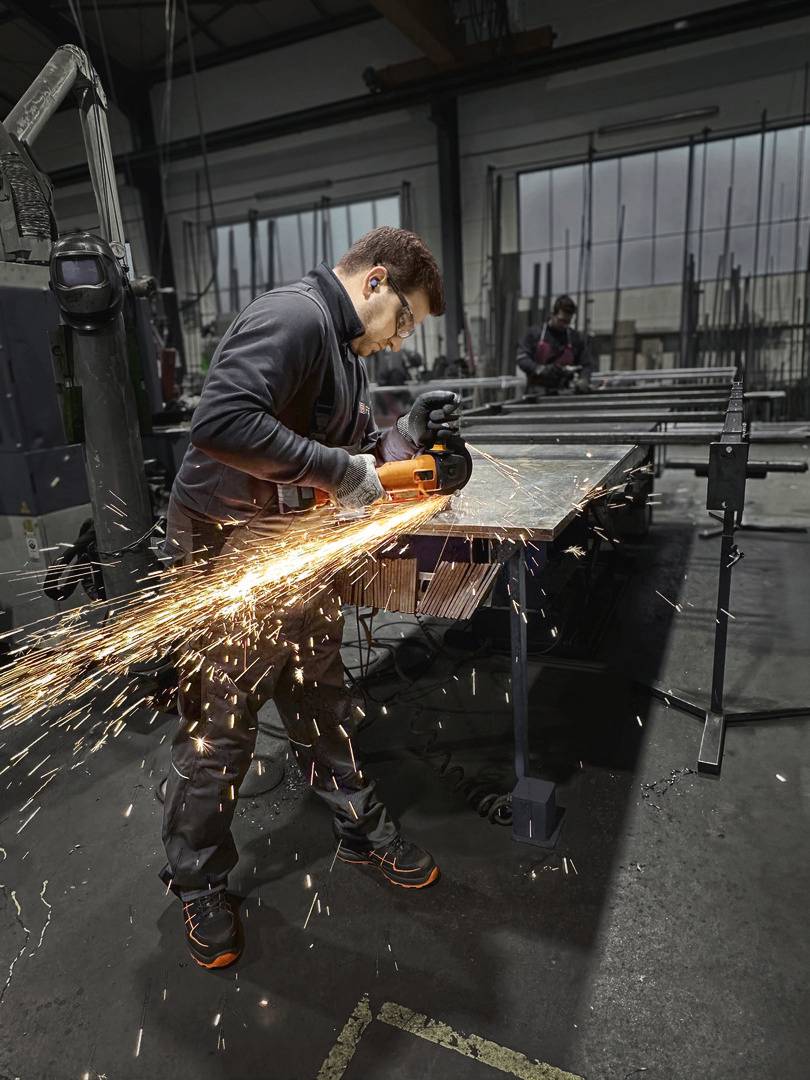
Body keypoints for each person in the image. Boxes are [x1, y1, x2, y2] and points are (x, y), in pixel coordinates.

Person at [159, 227, 459, 969]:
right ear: (375, 282)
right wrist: (337, 470)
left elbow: (349, 451)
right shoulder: (293, 316)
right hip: (227, 543)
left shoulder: (344, 351)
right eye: (405, 318)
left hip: (291, 542)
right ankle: (198, 881)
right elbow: (221, 422)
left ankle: (358, 829)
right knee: (223, 723)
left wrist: (404, 438)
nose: (401, 337)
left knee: (320, 690)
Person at [516, 294, 592, 394]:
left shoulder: (574, 338)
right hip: (537, 393)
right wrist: (540, 369)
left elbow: (586, 364)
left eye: (568, 321)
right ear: (552, 314)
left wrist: (584, 379)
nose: (564, 325)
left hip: (564, 392)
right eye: (561, 320)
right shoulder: (535, 334)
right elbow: (522, 358)